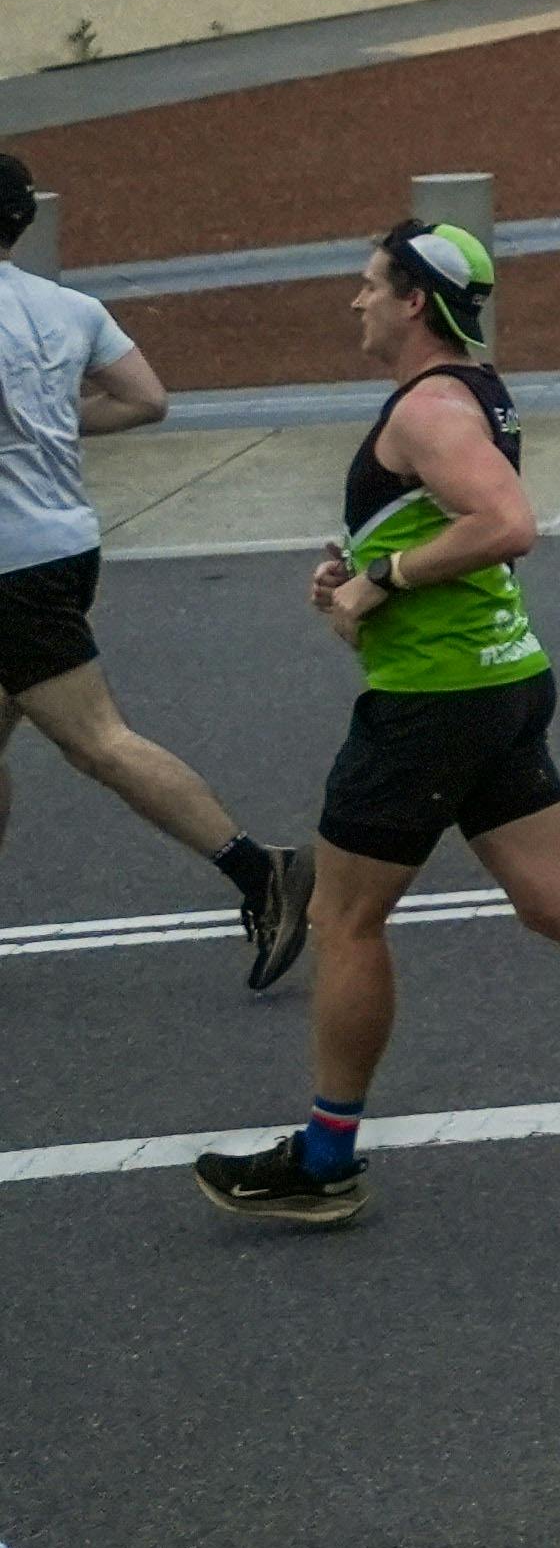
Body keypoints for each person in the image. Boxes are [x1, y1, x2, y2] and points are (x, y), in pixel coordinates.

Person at [196, 222, 560, 1228]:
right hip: (500, 679)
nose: (356, 302)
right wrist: (361, 565)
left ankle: (325, 1160)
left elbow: (508, 522)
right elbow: (443, 519)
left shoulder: (433, 406)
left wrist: (381, 577)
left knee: (343, 919)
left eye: (370, 284)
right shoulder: (475, 389)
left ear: (416, 299)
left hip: (434, 702)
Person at [0, 153, 305, 990]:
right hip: (65, 541)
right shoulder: (68, 307)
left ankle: (258, 870)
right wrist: (49, 431)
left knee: (97, 741)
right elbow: (145, 398)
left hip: (8, 569)